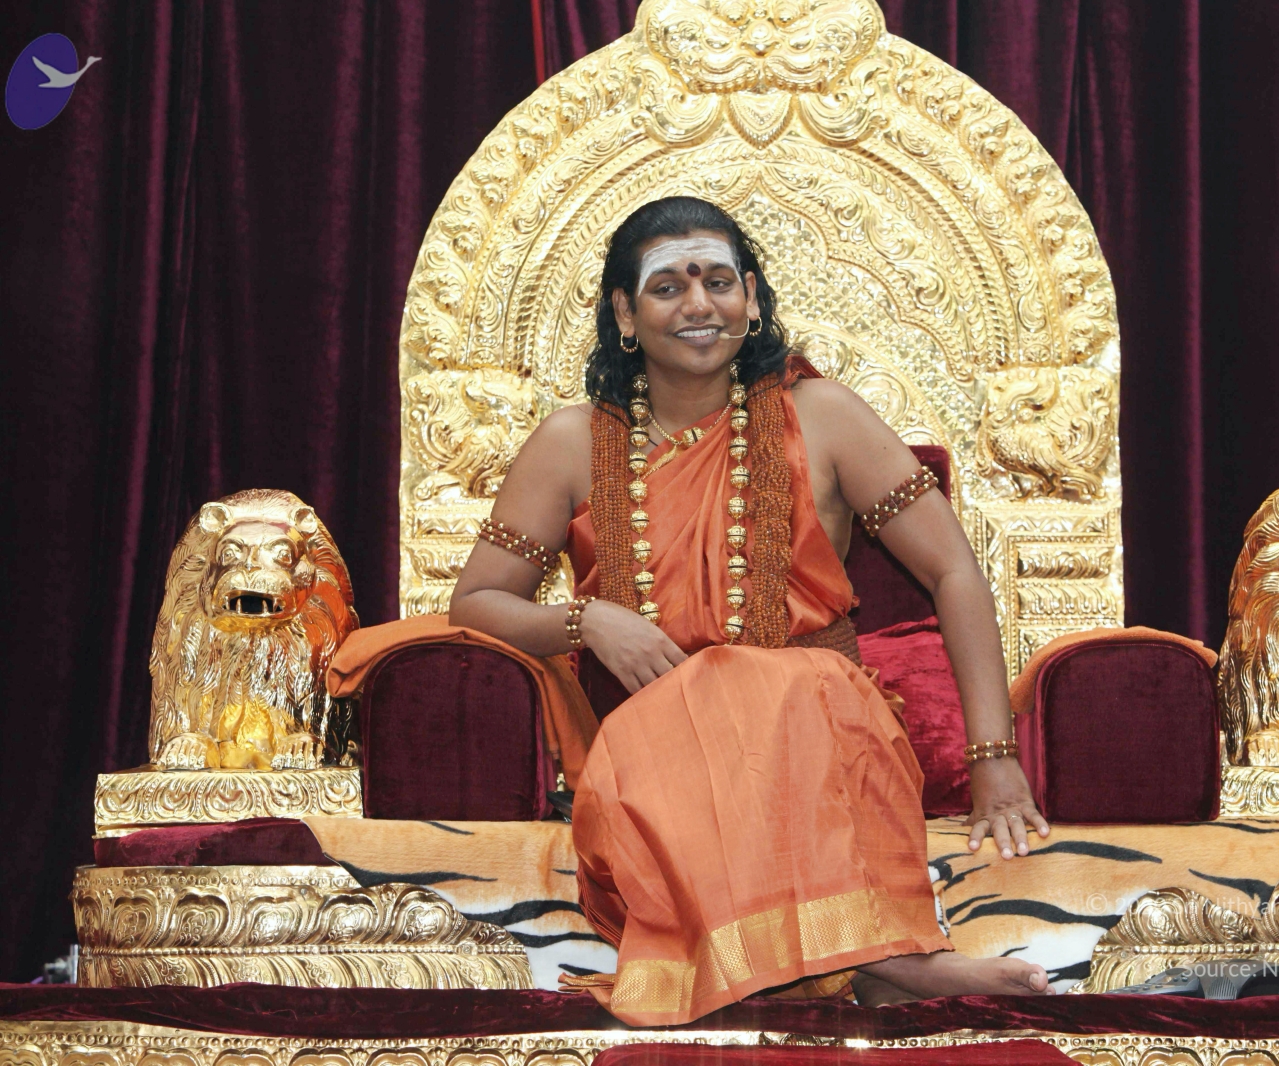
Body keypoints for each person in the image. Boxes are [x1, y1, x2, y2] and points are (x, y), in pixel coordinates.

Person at [449, 196, 1051, 1025]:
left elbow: (953, 570)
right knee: (719, 699)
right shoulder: (571, 442)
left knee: (786, 685)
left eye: (719, 281)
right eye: (668, 286)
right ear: (624, 313)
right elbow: (476, 602)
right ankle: (887, 962)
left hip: (817, 733)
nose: (699, 304)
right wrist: (588, 621)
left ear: (753, 298)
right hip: (655, 757)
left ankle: (864, 959)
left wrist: (993, 755)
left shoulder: (823, 416)